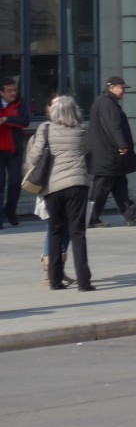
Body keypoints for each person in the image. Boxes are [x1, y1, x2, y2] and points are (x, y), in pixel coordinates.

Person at [25, 94, 94, 291]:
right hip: (77, 184)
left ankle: (54, 281)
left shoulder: (45, 129)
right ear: (74, 111)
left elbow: (34, 156)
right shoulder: (81, 130)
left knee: (55, 231)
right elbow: (85, 150)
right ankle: (84, 282)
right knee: (78, 233)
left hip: (53, 187)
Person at [87, 76, 136, 227]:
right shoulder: (107, 103)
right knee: (101, 188)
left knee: (120, 184)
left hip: (110, 154)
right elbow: (113, 126)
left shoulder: (106, 102)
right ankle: (90, 218)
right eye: (122, 87)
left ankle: (131, 215)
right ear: (111, 87)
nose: (124, 91)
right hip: (108, 155)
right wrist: (122, 145)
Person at [0, 76, 31, 227]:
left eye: (14, 90)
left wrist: (7, 119)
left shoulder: (21, 102)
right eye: (9, 91)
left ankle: (10, 212)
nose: (12, 93)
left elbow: (25, 121)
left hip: (14, 150)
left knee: (14, 183)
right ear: (1, 92)